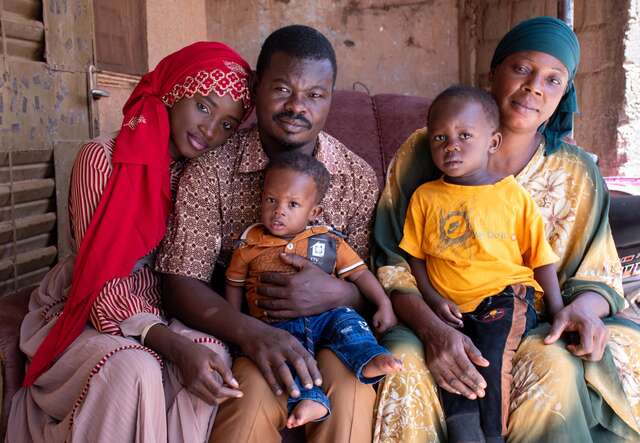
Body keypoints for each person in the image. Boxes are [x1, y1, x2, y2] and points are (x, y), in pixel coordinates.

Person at [372, 16, 640, 443]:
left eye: (553, 80)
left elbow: (596, 272)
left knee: (553, 362)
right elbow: (393, 259)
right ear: (494, 72)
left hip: (526, 317)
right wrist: (434, 329)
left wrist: (581, 311)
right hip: (434, 310)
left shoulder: (576, 173)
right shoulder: (426, 149)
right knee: (401, 360)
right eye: (521, 69)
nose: (535, 86)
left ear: (564, 95)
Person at [7, 42, 253, 442]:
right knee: (133, 369)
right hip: (89, 307)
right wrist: (169, 343)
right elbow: (98, 280)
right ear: (175, 91)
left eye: (227, 124)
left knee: (214, 360)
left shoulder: (200, 178)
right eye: (204, 107)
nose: (210, 130)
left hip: (165, 307)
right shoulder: (101, 160)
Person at [155, 25, 380, 443]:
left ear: (331, 98)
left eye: (315, 95)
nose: (298, 107)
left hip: (334, 334)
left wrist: (340, 294)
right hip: (251, 332)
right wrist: (252, 333)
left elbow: (374, 279)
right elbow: (180, 280)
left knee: (350, 395)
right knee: (249, 401)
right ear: (257, 88)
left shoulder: (356, 177)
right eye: (282, 89)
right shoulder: (211, 172)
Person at [400, 85, 563, 443]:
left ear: (492, 142)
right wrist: (431, 298)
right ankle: (464, 433)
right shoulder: (425, 197)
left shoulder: (513, 196)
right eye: (440, 137)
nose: (451, 145)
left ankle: (492, 436)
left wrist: (557, 310)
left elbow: (541, 259)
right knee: (452, 362)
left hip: (503, 299)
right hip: (451, 308)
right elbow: (415, 258)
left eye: (464, 135)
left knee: (489, 354)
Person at [225, 152, 400, 428]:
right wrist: (236, 326)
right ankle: (310, 399)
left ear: (314, 212)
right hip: (276, 326)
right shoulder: (249, 246)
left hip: (327, 318)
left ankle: (367, 358)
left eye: (293, 204)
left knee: (350, 323)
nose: (279, 210)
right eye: (271, 200)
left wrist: (383, 303)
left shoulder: (327, 241)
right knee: (290, 356)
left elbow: (360, 273)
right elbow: (233, 286)